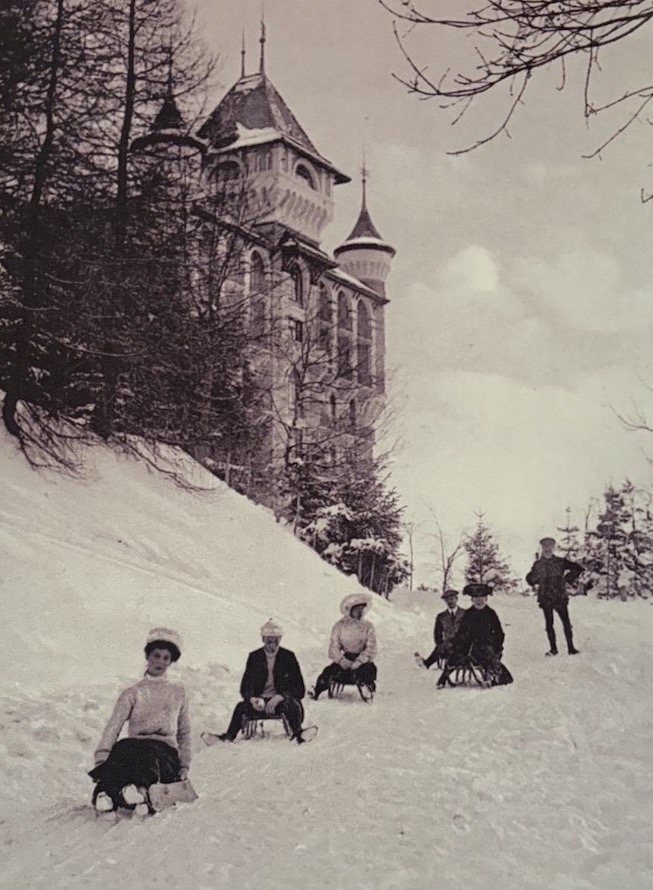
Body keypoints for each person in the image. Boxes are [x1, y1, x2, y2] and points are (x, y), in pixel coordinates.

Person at [89, 627, 191, 815]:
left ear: (171, 661)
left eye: (166, 658)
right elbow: (114, 726)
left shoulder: (177, 692)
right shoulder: (133, 693)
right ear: (147, 656)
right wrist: (102, 757)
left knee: (148, 753)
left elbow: (184, 732)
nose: (160, 662)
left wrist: (184, 766)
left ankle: (141, 792)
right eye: (156, 655)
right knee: (122, 748)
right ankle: (106, 795)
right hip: (135, 747)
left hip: (164, 753)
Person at [211, 619, 310, 744]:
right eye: (269, 641)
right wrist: (253, 699)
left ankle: (298, 734)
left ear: (280, 640)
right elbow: (245, 686)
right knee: (240, 707)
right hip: (259, 702)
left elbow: (299, 688)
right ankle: (228, 737)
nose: (272, 645)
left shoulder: (288, 657)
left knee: (292, 705)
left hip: (281, 702)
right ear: (263, 640)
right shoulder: (255, 657)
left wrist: (280, 697)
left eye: (275, 641)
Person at [437, 583, 512, 688]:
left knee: (490, 657)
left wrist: (497, 646)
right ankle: (443, 679)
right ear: (472, 600)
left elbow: (499, 633)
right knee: (454, 654)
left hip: (485, 645)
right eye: (476, 598)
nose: (479, 601)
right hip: (467, 644)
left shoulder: (491, 613)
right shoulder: (468, 613)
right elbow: (461, 631)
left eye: (481, 598)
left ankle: (493, 678)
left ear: (486, 599)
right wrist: (456, 643)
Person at [310, 593, 377, 700]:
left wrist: (360, 661)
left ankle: (367, 689)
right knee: (329, 672)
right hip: (345, 658)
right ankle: (316, 691)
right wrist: (342, 661)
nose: (360, 612)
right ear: (350, 610)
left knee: (368, 672)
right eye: (357, 609)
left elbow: (371, 647)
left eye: (362, 609)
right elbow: (334, 646)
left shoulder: (368, 626)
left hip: (362, 661)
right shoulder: (339, 626)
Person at [526, 537, 583, 656]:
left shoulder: (560, 561)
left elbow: (578, 568)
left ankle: (571, 648)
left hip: (559, 596)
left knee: (566, 623)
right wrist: (535, 579)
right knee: (549, 624)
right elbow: (530, 579)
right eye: (545, 547)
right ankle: (553, 649)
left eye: (549, 546)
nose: (547, 549)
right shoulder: (538, 564)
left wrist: (567, 579)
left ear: (553, 547)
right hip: (545, 597)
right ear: (542, 548)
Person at [415, 589, 466, 669]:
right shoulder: (441, 616)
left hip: (463, 645)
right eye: (447, 600)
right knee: (442, 646)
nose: (450, 602)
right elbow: (437, 634)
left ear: (456, 599)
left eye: (452, 599)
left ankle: (427, 663)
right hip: (448, 646)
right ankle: (426, 664)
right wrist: (440, 644)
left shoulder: (465, 614)